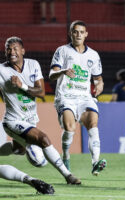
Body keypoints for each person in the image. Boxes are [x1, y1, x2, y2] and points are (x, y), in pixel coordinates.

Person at [0, 36, 81, 185]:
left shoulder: (33, 64)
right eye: (8, 49)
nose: (12, 52)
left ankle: (18, 147)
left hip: (30, 119)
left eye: (15, 48)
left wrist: (21, 85)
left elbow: (41, 92)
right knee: (43, 139)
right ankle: (68, 175)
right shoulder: (1, 70)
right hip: (12, 121)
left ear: (23, 51)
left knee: (19, 150)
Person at [49, 20, 106, 175]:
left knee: (93, 123)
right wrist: (62, 71)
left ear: (86, 34)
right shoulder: (62, 51)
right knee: (70, 127)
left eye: (81, 32)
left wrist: (99, 85)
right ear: (70, 33)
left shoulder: (93, 55)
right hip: (66, 96)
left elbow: (98, 78)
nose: (78, 34)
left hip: (84, 97)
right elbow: (51, 75)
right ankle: (66, 157)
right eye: (75, 31)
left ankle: (95, 162)